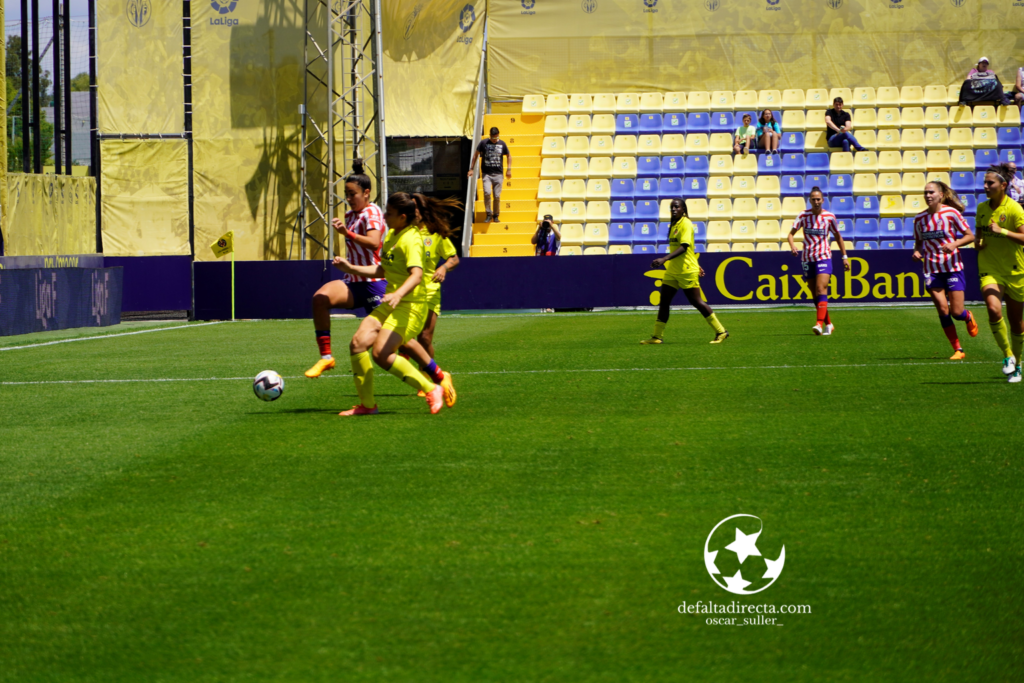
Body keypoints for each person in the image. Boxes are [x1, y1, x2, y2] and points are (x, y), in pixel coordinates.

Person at [331, 192, 446, 415]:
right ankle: (367, 406)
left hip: (411, 306)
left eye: (390, 213)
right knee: (357, 344)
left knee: (381, 354)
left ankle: (432, 389)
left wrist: (398, 295)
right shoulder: (393, 234)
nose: (385, 216)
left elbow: (416, 275)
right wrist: (351, 268)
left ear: (403, 217)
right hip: (393, 302)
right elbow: (383, 269)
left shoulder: (411, 239)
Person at [305, 159, 386, 379]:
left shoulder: (373, 212)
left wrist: (346, 234)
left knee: (392, 344)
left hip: (375, 282)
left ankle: (434, 376)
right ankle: (326, 357)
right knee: (320, 298)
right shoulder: (350, 215)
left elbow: (373, 242)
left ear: (366, 193)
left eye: (353, 194)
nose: (348, 199)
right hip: (353, 281)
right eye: (346, 194)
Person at [400, 193, 461, 407]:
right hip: (407, 290)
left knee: (425, 337)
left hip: (429, 290)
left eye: (415, 208)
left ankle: (429, 378)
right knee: (405, 336)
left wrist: (443, 267)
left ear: (421, 210)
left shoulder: (434, 233)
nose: (412, 211)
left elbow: (454, 258)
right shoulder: (404, 232)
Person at [640, 198, 729, 345]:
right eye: (672, 207)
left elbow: (685, 247)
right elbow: (686, 249)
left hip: (686, 271)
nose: (674, 209)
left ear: (683, 209)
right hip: (673, 270)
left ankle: (721, 331)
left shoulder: (686, 224)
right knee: (664, 302)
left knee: (697, 302)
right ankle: (657, 337)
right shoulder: (674, 224)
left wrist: (664, 259)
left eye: (677, 207)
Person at [911, 181, 979, 360]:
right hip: (931, 269)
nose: (928, 196)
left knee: (956, 312)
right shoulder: (919, 219)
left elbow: (970, 236)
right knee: (942, 309)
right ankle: (958, 350)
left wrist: (954, 244)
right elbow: (919, 243)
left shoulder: (951, 213)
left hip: (952, 267)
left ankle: (967, 316)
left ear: (941, 195)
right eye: (925, 192)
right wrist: (917, 252)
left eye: (931, 192)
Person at [974, 162, 1024, 383]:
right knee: (994, 310)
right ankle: (1007, 356)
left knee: (1016, 322)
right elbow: (979, 232)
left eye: (990, 183)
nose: (985, 186)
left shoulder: (1014, 208)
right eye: (985, 182)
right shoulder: (982, 208)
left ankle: (1018, 365)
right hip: (990, 267)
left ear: (1002, 185)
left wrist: (1002, 231)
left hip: (1015, 270)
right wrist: (978, 242)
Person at [788, 187, 851, 335]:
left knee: (820, 289)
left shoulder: (829, 217)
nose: (816, 202)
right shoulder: (803, 216)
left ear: (822, 200)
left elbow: (838, 237)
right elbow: (790, 234)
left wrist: (845, 257)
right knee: (815, 295)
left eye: (818, 199)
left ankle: (818, 324)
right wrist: (792, 246)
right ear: (810, 200)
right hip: (807, 258)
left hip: (823, 256)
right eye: (813, 199)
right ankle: (829, 324)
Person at [467, 127, 512, 223]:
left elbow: (509, 156)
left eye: (496, 138)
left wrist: (508, 169)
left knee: (497, 196)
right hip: (487, 174)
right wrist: (471, 169)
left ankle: (496, 215)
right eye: (493, 138)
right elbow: (475, 155)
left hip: (498, 174)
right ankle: (488, 213)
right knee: (487, 193)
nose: (495, 140)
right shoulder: (483, 143)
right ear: (489, 135)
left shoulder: (502, 144)